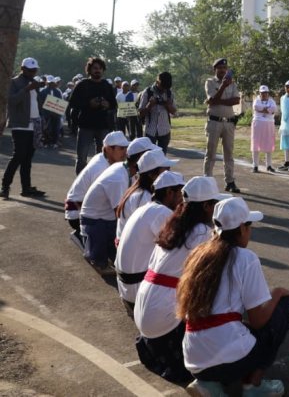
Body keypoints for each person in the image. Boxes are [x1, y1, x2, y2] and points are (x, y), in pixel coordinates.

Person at [179, 197, 289, 396]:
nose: (250, 232)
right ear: (241, 229)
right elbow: (258, 321)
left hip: (193, 358)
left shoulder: (199, 254)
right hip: (228, 359)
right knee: (283, 306)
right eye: (249, 226)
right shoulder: (245, 258)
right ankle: (253, 384)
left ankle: (208, 384)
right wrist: (276, 293)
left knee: (233, 325)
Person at [134, 175, 225, 385]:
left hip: (144, 309)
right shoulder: (202, 233)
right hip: (162, 317)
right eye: (215, 204)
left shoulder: (173, 226)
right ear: (206, 206)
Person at [79, 137, 158, 274]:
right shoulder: (118, 178)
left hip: (104, 218)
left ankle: (97, 249)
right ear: (141, 158)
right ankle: (91, 250)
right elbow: (120, 213)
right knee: (105, 263)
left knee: (121, 255)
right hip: (95, 221)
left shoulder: (125, 169)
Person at [115, 170, 185, 315]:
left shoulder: (147, 208)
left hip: (127, 286)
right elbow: (181, 249)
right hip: (136, 290)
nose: (182, 200)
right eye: (180, 194)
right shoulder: (161, 213)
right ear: (169, 192)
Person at [65, 131, 129, 242]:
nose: (125, 153)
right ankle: (83, 238)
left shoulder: (103, 158)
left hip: (79, 210)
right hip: (78, 215)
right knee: (121, 219)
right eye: (121, 149)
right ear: (109, 149)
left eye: (126, 148)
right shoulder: (100, 168)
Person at [2, 58, 46, 199]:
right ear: (23, 68)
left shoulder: (34, 83)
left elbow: (37, 103)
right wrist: (27, 89)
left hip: (34, 124)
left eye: (35, 70)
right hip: (20, 124)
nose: (33, 73)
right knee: (18, 156)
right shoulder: (15, 82)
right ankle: (5, 186)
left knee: (27, 158)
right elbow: (12, 100)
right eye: (30, 70)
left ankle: (26, 188)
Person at [68, 56, 118, 174]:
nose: (98, 70)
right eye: (95, 68)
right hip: (86, 125)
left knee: (102, 159)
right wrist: (89, 104)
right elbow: (72, 103)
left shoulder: (107, 85)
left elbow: (114, 105)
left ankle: (98, 183)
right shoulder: (82, 85)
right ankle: (80, 186)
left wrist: (107, 104)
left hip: (103, 126)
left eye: (100, 68)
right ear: (89, 70)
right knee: (82, 158)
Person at [116, 147, 178, 241]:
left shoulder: (139, 190)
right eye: (165, 170)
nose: (169, 173)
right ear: (151, 174)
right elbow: (167, 236)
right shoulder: (145, 199)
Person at [204, 58, 242, 193]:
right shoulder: (210, 82)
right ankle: (207, 181)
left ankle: (230, 181)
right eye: (219, 68)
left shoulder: (232, 83)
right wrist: (223, 87)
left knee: (229, 154)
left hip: (229, 122)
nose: (222, 70)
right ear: (215, 69)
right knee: (211, 153)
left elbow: (236, 100)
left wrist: (219, 100)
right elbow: (212, 101)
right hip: (214, 121)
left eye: (224, 68)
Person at [139, 72, 176, 153]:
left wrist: (168, 104)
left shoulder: (169, 93)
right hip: (150, 131)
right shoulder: (147, 92)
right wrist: (150, 105)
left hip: (165, 130)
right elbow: (141, 113)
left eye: (166, 88)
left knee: (162, 159)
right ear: (157, 82)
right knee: (149, 157)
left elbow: (174, 112)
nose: (164, 90)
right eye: (163, 87)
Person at [251, 85, 278, 174]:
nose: (264, 94)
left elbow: (274, 109)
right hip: (258, 123)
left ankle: (269, 165)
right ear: (259, 93)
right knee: (256, 144)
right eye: (262, 93)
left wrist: (263, 110)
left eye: (265, 93)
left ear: (268, 93)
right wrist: (267, 109)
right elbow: (256, 107)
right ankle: (255, 165)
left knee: (269, 144)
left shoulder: (271, 101)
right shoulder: (256, 100)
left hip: (269, 124)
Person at [38, 75, 63, 148]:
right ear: (47, 83)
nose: (51, 84)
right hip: (46, 113)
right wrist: (42, 113)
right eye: (49, 83)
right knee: (45, 128)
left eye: (52, 83)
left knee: (56, 128)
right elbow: (40, 103)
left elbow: (60, 102)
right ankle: (46, 142)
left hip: (56, 114)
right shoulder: (43, 91)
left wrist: (58, 111)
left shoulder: (58, 91)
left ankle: (54, 142)